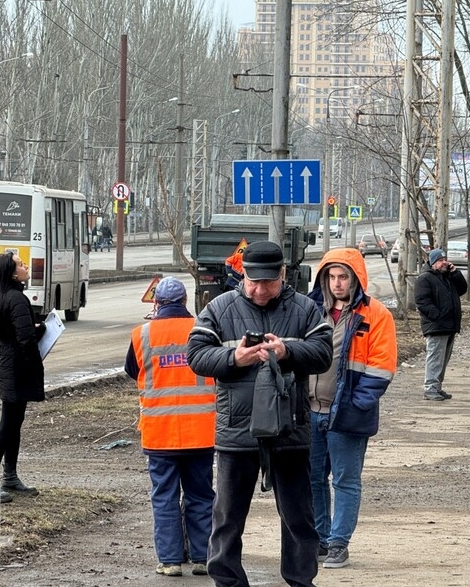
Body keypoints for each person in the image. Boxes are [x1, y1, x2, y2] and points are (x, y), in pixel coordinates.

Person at [186, 240, 333, 587]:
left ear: (283, 274)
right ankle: (228, 581)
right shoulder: (220, 308)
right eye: (253, 281)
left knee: (299, 517)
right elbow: (195, 354)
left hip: (289, 430)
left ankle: (301, 580)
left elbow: (324, 354)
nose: (260, 288)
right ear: (243, 274)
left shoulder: (305, 309)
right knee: (227, 518)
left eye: (268, 281)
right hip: (237, 431)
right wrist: (233, 359)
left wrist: (287, 352)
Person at [306, 248, 397, 569]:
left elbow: (381, 368)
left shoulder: (376, 315)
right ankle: (319, 538)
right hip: (311, 411)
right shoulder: (311, 310)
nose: (336, 283)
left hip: (346, 413)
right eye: (331, 276)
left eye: (343, 276)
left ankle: (338, 543)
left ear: (356, 277)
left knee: (345, 481)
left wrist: (356, 405)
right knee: (313, 479)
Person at [124, 276, 216, 578]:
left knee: (164, 496)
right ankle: (202, 557)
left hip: (160, 432)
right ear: (186, 301)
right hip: (201, 430)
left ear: (156, 303)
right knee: (201, 495)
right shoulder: (203, 329)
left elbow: (131, 370)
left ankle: (170, 561)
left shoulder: (142, 334)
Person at [0, 251, 46, 503]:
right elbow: (26, 341)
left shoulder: (1, 296)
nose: (26, 266)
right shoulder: (16, 298)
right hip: (16, 365)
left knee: (14, 422)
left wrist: (35, 329)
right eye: (20, 265)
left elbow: (8, 334)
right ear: (11, 273)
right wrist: (37, 350)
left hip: (8, 360)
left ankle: (10, 476)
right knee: (8, 424)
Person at [414, 247, 468, 401]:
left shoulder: (447, 276)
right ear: (432, 263)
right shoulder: (425, 278)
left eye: (444, 259)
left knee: (443, 359)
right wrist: (437, 316)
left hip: (449, 325)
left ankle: (437, 387)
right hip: (436, 325)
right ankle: (430, 388)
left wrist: (455, 273)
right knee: (435, 357)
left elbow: (462, 289)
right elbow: (422, 302)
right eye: (439, 260)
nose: (444, 262)